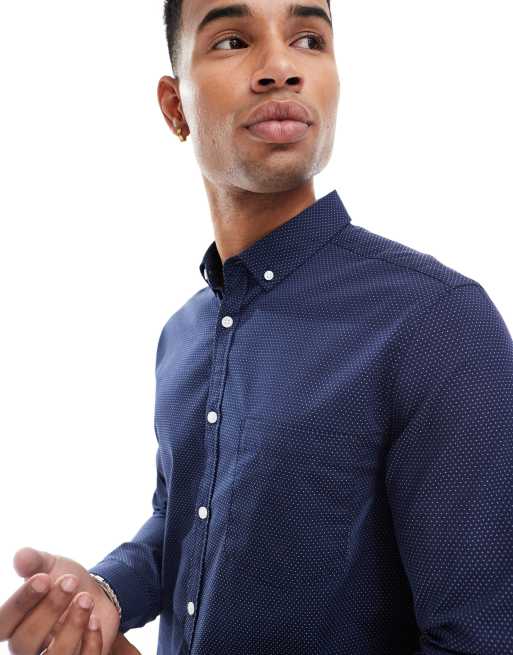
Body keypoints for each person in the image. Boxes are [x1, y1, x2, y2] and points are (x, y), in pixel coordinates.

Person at [2, 0, 513, 653]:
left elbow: (480, 640)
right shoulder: (183, 334)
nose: (281, 67)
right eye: (232, 40)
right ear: (175, 108)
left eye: (308, 39)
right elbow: (185, 518)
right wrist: (105, 591)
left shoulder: (437, 323)